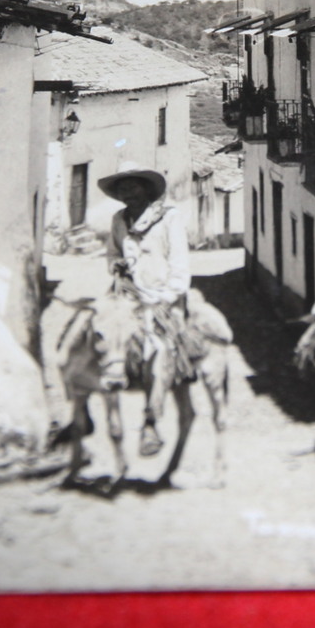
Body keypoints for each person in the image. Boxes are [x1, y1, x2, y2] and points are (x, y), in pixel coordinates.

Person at [98, 165, 209, 456]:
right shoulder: (119, 220)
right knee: (100, 334)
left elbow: (180, 262)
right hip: (129, 295)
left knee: (158, 350)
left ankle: (150, 421)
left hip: (164, 298)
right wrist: (116, 264)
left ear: (146, 190)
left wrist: (167, 296)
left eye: (133, 188)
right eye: (122, 190)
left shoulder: (169, 218)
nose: (128, 194)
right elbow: (112, 252)